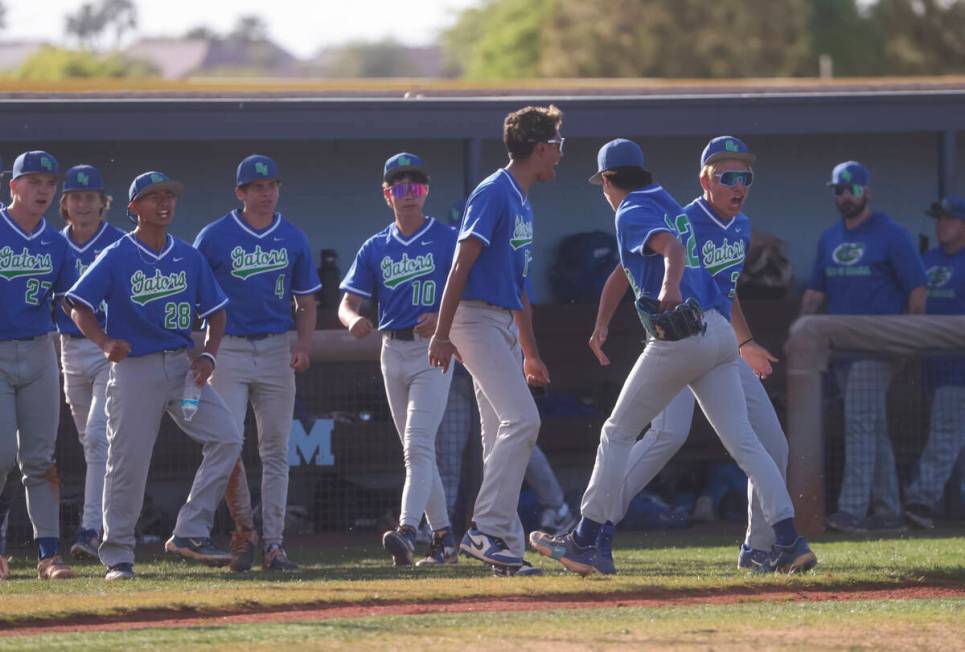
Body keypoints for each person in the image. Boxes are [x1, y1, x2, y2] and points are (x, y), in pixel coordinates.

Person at [529, 139, 816, 576]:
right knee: (741, 442)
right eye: (728, 177)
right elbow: (631, 267)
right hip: (717, 337)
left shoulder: (630, 209)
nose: (739, 186)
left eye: (744, 178)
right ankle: (789, 539)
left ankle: (587, 538)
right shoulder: (668, 202)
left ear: (607, 180)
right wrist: (604, 321)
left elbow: (673, 251)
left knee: (617, 431)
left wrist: (669, 288)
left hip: (683, 336)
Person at [67, 171, 242, 580]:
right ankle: (117, 556)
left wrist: (209, 357)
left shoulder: (188, 255)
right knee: (128, 462)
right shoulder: (117, 254)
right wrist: (104, 342)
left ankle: (190, 531)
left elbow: (217, 313)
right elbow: (77, 306)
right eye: (153, 197)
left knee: (228, 437)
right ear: (134, 208)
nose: (164, 203)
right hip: (135, 369)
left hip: (182, 367)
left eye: (169, 195)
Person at [428, 105, 564, 577]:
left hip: (501, 323)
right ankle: (485, 529)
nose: (560, 156)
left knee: (499, 436)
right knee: (523, 420)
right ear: (542, 147)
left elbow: (519, 285)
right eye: (558, 146)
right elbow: (459, 267)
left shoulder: (522, 199)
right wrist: (443, 334)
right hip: (474, 319)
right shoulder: (493, 192)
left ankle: (502, 546)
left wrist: (530, 352)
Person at [194, 155, 319, 573]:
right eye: (257, 187)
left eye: (272, 186)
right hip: (228, 347)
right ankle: (244, 531)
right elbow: (194, 293)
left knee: (276, 451)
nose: (267, 193)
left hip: (275, 346)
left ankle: (274, 544)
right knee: (228, 442)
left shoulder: (293, 236)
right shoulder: (214, 236)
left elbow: (306, 299)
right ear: (241, 193)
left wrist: (303, 342)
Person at [339, 152, 459, 567]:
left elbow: (470, 293)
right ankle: (444, 540)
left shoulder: (446, 238)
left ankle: (409, 530)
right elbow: (347, 303)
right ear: (387, 194)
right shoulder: (376, 246)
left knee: (416, 447)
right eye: (401, 188)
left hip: (433, 350)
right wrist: (354, 319)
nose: (410, 196)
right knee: (417, 451)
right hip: (392, 349)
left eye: (418, 187)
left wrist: (445, 321)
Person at [801, 161, 928, 533]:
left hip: (879, 346)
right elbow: (814, 292)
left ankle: (852, 510)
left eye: (851, 189)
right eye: (838, 190)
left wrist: (911, 340)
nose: (844, 196)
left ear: (866, 191)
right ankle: (889, 512)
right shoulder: (830, 238)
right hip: (841, 350)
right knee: (871, 426)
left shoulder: (891, 234)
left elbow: (917, 291)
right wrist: (798, 333)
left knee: (859, 424)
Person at [0, 151, 77, 580]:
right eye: (33, 181)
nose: (43, 189)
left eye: (49, 182)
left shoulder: (56, 242)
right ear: (13, 187)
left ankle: (49, 554)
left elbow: (68, 300)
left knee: (40, 458)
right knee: (0, 455)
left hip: (39, 349)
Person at [55, 164, 125, 560]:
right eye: (76, 197)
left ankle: (91, 528)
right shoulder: (54, 243)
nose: (83, 204)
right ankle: (109, 521)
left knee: (98, 438)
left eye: (90, 197)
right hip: (67, 348)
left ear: (103, 203)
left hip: (106, 350)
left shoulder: (117, 242)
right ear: (65, 204)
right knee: (91, 444)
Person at [903, 195, 965, 529]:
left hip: (960, 369)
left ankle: (921, 500)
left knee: (945, 435)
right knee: (950, 437)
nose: (942, 224)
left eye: (949, 219)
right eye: (939, 218)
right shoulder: (926, 259)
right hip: (930, 366)